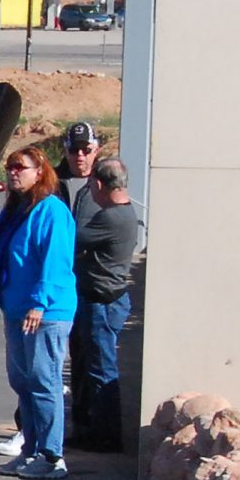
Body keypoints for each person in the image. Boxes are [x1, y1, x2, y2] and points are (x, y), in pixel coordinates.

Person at [0, 146, 78, 480]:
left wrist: (39, 302)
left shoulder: (51, 211)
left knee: (43, 381)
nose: (13, 172)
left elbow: (54, 261)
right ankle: (30, 451)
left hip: (46, 312)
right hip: (17, 308)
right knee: (22, 381)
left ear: (39, 171)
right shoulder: (17, 210)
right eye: (9, 166)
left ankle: (52, 456)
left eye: (20, 167)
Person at [70, 155, 141, 454]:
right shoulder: (125, 214)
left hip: (102, 302)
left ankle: (107, 436)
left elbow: (74, 237)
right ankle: (96, 429)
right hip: (107, 299)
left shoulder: (110, 218)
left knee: (101, 370)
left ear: (99, 184)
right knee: (95, 367)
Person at [56, 121, 101, 214]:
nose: (80, 154)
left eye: (86, 150)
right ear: (66, 151)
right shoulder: (52, 180)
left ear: (96, 151)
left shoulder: (105, 181)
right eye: (74, 150)